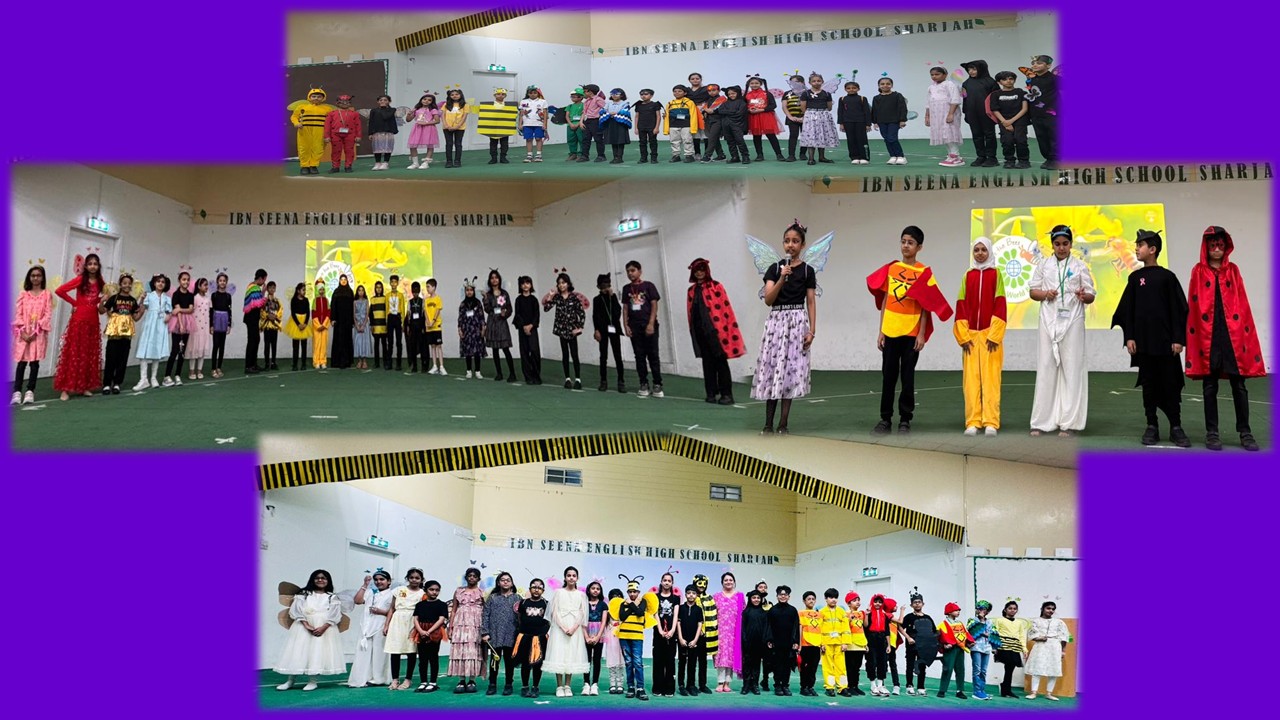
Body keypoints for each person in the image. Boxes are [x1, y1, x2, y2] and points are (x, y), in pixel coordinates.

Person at [868, 226, 953, 435]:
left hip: (911, 333)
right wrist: (881, 331)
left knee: (907, 377)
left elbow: (926, 305)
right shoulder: (892, 269)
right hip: (890, 330)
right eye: (903, 241)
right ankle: (885, 419)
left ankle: (905, 419)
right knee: (888, 376)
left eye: (911, 242)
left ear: (919, 247)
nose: (906, 246)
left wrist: (921, 333)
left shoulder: (924, 273)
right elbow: (886, 300)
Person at [1185, 226, 1265, 451]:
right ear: (1206, 247)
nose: (1217, 249)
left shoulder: (1233, 270)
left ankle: (1245, 432)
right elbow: (1193, 304)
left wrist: (1242, 333)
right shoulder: (1198, 271)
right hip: (1208, 336)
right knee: (1209, 385)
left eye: (1220, 245)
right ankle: (1212, 433)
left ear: (1226, 246)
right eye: (1212, 245)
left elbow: (1243, 302)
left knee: (1238, 384)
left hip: (1232, 335)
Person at [1111, 229, 1191, 447]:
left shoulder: (1168, 277)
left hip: (1167, 345)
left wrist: (1178, 339)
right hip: (1143, 344)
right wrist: (1130, 337)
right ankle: (1151, 425)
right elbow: (1128, 310)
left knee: (1171, 383)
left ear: (1152, 249)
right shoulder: (1135, 278)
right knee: (1148, 384)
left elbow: (1179, 310)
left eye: (1140, 245)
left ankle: (1176, 426)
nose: (1136, 248)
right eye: (1136, 245)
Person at [751, 222, 819, 434]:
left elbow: (810, 301)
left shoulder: (807, 270)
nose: (791, 245)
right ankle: (767, 424)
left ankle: (783, 424)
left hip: (797, 322)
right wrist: (782, 277)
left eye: (795, 241)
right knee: (773, 370)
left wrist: (812, 330)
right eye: (787, 241)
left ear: (802, 245)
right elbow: (768, 299)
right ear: (783, 243)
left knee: (789, 373)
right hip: (776, 322)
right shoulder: (774, 268)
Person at [1029, 225, 1095, 436]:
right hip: (1048, 319)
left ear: (1071, 244)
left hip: (1073, 319)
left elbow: (1091, 295)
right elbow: (1033, 291)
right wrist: (1045, 294)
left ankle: (1070, 423)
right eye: (1057, 244)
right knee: (1046, 365)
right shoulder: (1044, 265)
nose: (1061, 248)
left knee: (1072, 368)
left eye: (1065, 244)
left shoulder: (1080, 265)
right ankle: (1042, 421)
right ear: (1052, 245)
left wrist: (1083, 296)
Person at [954, 237, 1007, 435]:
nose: (980, 253)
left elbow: (1000, 304)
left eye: (983, 249)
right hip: (970, 337)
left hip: (989, 337)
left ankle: (991, 421)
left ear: (990, 251)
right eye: (976, 250)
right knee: (971, 381)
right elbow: (961, 304)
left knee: (991, 380)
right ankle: (973, 421)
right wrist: (963, 336)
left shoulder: (996, 274)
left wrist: (994, 335)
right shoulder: (968, 275)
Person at [274, 569, 347, 691]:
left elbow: (335, 615)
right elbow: (296, 610)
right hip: (303, 627)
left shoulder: (332, 597)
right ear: (312, 580)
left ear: (328, 581)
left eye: (323, 578)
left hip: (323, 628)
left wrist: (324, 627)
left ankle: (313, 681)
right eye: (317, 578)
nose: (320, 580)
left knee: (317, 652)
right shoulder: (304, 594)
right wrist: (306, 624)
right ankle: (290, 680)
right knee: (297, 651)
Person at [687, 257, 743, 405]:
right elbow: (691, 313)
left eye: (702, 270)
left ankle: (727, 394)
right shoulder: (691, 291)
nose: (699, 273)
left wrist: (725, 331)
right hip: (700, 332)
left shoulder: (716, 286)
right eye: (696, 270)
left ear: (706, 271)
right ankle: (711, 393)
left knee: (720, 362)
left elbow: (725, 310)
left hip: (717, 332)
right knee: (707, 363)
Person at [52, 253, 105, 400]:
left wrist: (103, 299)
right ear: (86, 266)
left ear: (98, 266)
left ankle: (84, 387)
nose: (93, 266)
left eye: (95, 264)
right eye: (90, 264)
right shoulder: (81, 279)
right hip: (79, 321)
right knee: (74, 354)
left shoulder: (101, 281)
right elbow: (60, 291)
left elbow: (95, 301)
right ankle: (66, 389)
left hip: (93, 321)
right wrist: (74, 303)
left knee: (89, 354)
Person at [543, 566, 590, 697]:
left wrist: (574, 627)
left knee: (571, 654)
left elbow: (582, 612)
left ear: (577, 578)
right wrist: (563, 627)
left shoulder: (581, 595)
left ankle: (568, 686)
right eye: (569, 575)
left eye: (574, 576)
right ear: (565, 577)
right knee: (559, 654)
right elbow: (554, 611)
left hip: (575, 628)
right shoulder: (558, 592)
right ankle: (559, 686)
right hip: (559, 628)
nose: (571, 578)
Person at [12, 265, 52, 405]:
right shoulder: (23, 294)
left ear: (42, 278)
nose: (35, 278)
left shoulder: (47, 294)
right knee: (21, 363)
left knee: (34, 363)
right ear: (29, 277)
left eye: (38, 275)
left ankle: (30, 391)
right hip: (23, 333)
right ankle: (17, 392)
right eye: (33, 275)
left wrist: (36, 331)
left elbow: (47, 314)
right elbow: (19, 314)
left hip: (37, 334)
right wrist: (22, 331)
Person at [542, 271, 588, 389]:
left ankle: (578, 379)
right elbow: (546, 308)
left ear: (568, 284)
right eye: (559, 283)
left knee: (574, 354)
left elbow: (581, 313)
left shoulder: (574, 297)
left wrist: (579, 327)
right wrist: (550, 297)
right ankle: (567, 379)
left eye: (563, 282)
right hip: (561, 331)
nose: (561, 285)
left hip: (572, 331)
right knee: (565, 354)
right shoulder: (557, 297)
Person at [347, 571, 394, 688]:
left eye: (382, 579)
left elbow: (394, 611)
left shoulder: (392, 594)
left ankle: (379, 678)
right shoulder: (370, 592)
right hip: (367, 626)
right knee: (363, 650)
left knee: (380, 652)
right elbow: (357, 601)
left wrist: (382, 612)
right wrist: (365, 585)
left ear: (389, 581)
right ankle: (362, 677)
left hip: (382, 625)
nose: (378, 582)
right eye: (376, 580)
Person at [383, 568, 425, 690]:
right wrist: (386, 625)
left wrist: (419, 627)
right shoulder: (399, 590)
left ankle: (408, 679)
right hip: (397, 620)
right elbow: (391, 609)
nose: (414, 580)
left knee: (411, 651)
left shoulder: (422, 593)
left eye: (417, 578)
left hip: (413, 621)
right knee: (395, 651)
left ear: (421, 580)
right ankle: (395, 680)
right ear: (407, 578)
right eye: (411, 577)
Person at [98, 273, 139, 396]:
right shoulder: (114, 298)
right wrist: (102, 302)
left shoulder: (133, 301)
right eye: (124, 283)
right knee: (111, 358)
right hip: (114, 333)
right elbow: (102, 311)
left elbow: (135, 317)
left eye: (129, 283)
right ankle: (106, 383)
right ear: (120, 284)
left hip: (126, 334)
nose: (127, 285)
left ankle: (117, 383)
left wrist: (142, 309)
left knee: (123, 359)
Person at [610, 575, 651, 700]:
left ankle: (640, 688)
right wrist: (632, 605)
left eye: (635, 591)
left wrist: (631, 605)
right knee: (628, 663)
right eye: (630, 592)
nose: (632, 594)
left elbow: (640, 612)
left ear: (638, 592)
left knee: (638, 662)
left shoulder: (642, 602)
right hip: (624, 636)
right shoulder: (623, 603)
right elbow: (622, 617)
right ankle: (631, 687)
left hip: (637, 636)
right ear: (627, 592)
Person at [481, 571, 521, 696]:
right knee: (494, 661)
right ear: (498, 583)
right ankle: (492, 684)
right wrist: (485, 632)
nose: (505, 582)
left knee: (509, 662)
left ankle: (509, 684)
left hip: (511, 634)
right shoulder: (492, 598)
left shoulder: (517, 598)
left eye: (508, 580)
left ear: (512, 583)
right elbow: (485, 615)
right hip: (495, 634)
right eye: (502, 580)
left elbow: (522, 617)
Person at [447, 567, 486, 693]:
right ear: (466, 577)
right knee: (461, 650)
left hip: (476, 624)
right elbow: (453, 610)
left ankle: (472, 680)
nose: (472, 578)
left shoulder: (482, 592)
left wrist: (485, 629)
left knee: (473, 651)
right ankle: (461, 680)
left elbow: (486, 611)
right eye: (470, 576)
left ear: (478, 579)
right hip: (460, 624)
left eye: (475, 576)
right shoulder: (459, 591)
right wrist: (450, 627)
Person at [132, 274, 172, 391]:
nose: (160, 283)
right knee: (144, 349)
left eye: (163, 282)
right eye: (158, 281)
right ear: (154, 283)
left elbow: (169, 311)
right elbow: (140, 308)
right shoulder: (149, 296)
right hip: (149, 325)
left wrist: (168, 316)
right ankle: (143, 379)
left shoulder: (167, 298)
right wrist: (141, 299)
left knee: (157, 350)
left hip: (161, 325)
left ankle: (153, 378)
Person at [513, 577, 551, 697]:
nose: (536, 589)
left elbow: (549, 621)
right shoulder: (523, 603)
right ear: (530, 589)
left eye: (539, 588)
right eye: (534, 587)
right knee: (525, 663)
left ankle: (535, 687)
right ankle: (525, 687)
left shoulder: (546, 604)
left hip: (539, 638)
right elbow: (519, 618)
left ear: (543, 590)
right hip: (525, 637)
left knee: (537, 663)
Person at [1024, 602, 1069, 701]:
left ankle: (1049, 693)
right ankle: (1033, 692)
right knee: (1037, 668)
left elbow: (1064, 637)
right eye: (1048, 608)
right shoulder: (1035, 621)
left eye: (1053, 609)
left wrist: (1063, 651)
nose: (1051, 611)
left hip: (1055, 646)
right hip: (1040, 646)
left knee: (1053, 670)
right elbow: (1031, 635)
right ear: (1042, 609)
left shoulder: (1059, 622)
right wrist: (1039, 638)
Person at [412, 580, 450, 693]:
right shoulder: (420, 605)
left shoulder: (442, 604)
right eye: (431, 589)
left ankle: (433, 682)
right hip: (421, 632)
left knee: (433, 657)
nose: (434, 592)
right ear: (425, 590)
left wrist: (429, 631)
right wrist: (421, 631)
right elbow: (415, 619)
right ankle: (423, 682)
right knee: (422, 658)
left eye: (437, 590)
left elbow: (441, 619)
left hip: (435, 632)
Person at [959, 60, 997, 166]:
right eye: (969, 69)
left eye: (974, 69)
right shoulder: (966, 83)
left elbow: (995, 99)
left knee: (989, 135)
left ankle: (991, 158)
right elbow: (965, 98)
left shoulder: (990, 82)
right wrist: (966, 112)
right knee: (976, 135)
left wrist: (995, 113)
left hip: (987, 114)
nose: (971, 71)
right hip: (972, 113)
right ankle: (981, 156)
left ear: (982, 69)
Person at [592, 273, 626, 393]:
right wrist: (596, 330)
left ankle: (621, 381)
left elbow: (617, 311)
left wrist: (612, 297)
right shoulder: (597, 299)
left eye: (607, 285)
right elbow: (595, 316)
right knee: (603, 356)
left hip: (614, 329)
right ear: (599, 287)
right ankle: (603, 381)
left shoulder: (613, 297)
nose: (606, 288)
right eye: (603, 286)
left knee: (618, 356)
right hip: (602, 331)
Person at [990, 71, 1030, 169]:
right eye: (1004, 79)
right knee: (1007, 141)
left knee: (1021, 140)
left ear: (1014, 80)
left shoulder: (1021, 92)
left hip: (1019, 120)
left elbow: (1024, 109)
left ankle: (1024, 160)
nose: (1008, 81)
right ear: (999, 82)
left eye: (1011, 79)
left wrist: (1011, 121)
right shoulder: (995, 94)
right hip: (1004, 121)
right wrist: (1005, 122)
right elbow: (995, 110)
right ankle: (1009, 160)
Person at [925, 67, 965, 167]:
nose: (934, 76)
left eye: (937, 74)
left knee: (950, 133)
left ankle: (955, 156)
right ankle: (950, 155)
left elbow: (955, 99)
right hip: (936, 115)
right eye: (932, 75)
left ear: (945, 75)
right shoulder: (931, 87)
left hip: (948, 112)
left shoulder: (950, 84)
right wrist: (927, 116)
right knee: (943, 135)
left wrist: (951, 114)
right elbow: (928, 103)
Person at [482, 269, 517, 381]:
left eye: (496, 277)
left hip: (502, 324)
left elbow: (510, 308)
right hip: (492, 323)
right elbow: (487, 309)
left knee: (506, 349)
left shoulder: (504, 293)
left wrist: (505, 313)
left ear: (499, 279)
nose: (494, 280)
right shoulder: (488, 295)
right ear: (489, 280)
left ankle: (512, 374)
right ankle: (499, 373)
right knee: (495, 350)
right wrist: (485, 299)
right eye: (492, 278)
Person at [1025, 54, 1059, 169]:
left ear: (1048, 66)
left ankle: (1056, 159)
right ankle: (1048, 158)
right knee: (1041, 136)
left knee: (1054, 136)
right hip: (1036, 113)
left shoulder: (1056, 79)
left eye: (1039, 63)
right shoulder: (1031, 80)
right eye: (1033, 63)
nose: (1035, 65)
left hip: (1052, 113)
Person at [900, 590, 936, 696]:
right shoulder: (908, 617)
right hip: (911, 645)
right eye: (915, 602)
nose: (917, 604)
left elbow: (934, 632)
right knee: (910, 665)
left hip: (924, 647)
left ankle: (921, 687)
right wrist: (908, 637)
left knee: (922, 666)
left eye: (919, 602)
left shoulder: (928, 618)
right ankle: (909, 686)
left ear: (923, 604)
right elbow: (900, 627)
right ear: (911, 605)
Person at [650, 572, 680, 697]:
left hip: (671, 635)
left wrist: (672, 630)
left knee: (670, 662)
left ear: (672, 583)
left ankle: (669, 688)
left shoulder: (676, 598)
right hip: (659, 634)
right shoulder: (655, 597)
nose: (667, 582)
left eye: (669, 581)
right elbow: (655, 614)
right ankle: (657, 688)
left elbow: (676, 615)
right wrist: (660, 630)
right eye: (665, 580)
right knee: (658, 662)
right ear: (661, 582)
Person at [766, 585, 799, 696]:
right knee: (777, 665)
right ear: (777, 596)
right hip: (776, 643)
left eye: (785, 594)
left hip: (789, 643)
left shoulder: (793, 610)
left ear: (789, 596)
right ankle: (777, 686)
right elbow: (768, 626)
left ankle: (785, 685)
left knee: (787, 665)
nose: (783, 596)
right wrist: (769, 640)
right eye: (781, 594)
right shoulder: (772, 610)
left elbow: (796, 627)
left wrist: (796, 641)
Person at [162, 270, 194, 386]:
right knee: (175, 350)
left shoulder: (190, 295)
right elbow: (177, 311)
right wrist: (181, 325)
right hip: (177, 323)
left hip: (188, 322)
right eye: (184, 279)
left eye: (188, 280)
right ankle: (167, 376)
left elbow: (190, 309)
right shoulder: (176, 294)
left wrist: (180, 309)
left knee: (182, 351)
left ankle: (177, 375)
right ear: (179, 281)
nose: (186, 282)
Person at [799, 73, 838, 165]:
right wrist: (809, 114)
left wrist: (822, 112)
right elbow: (803, 107)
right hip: (811, 115)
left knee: (822, 134)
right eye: (814, 81)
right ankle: (811, 158)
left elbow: (829, 107)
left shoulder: (826, 93)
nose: (816, 83)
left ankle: (822, 157)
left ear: (822, 82)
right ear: (810, 83)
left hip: (823, 115)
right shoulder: (806, 93)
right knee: (811, 136)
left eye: (818, 81)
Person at [290, 88, 332, 175]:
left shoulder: (328, 109)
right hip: (304, 130)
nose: (316, 98)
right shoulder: (301, 107)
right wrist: (296, 123)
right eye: (314, 96)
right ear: (309, 97)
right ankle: (304, 166)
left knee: (318, 148)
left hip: (320, 131)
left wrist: (329, 133)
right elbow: (294, 116)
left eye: (319, 96)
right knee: (304, 148)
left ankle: (313, 165)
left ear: (323, 98)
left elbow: (331, 120)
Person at [993, 600, 1028, 698]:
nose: (1012, 610)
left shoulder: (1019, 623)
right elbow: (995, 633)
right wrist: (995, 646)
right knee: (1008, 666)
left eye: (1015, 609)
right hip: (1004, 645)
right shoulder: (1000, 620)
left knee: (1011, 668)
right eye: (1010, 608)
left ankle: (1006, 687)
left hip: (1014, 646)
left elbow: (1021, 636)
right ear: (1005, 610)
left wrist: (1024, 649)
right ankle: (1006, 688)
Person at [745, 76, 785, 161]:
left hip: (766, 117)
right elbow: (744, 106)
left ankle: (779, 154)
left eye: (756, 83)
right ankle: (759, 155)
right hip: (753, 118)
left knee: (771, 136)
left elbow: (773, 105)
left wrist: (761, 110)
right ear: (749, 84)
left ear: (761, 84)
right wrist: (748, 110)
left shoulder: (767, 94)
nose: (754, 85)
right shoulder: (746, 95)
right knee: (756, 137)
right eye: (752, 83)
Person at [739, 590, 772, 695]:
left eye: (758, 598)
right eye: (754, 598)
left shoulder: (764, 613)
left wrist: (765, 640)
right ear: (750, 599)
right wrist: (744, 640)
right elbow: (742, 628)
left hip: (759, 643)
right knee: (747, 664)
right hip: (747, 643)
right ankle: (746, 685)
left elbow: (766, 628)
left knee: (756, 664)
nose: (756, 600)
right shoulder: (745, 612)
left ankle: (755, 685)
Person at [819, 588, 850, 696]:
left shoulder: (842, 612)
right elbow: (819, 629)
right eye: (831, 597)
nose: (833, 600)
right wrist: (821, 643)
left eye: (835, 597)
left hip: (839, 643)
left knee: (841, 667)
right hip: (826, 643)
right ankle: (830, 687)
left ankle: (842, 688)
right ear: (826, 599)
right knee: (828, 667)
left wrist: (845, 643)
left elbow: (846, 628)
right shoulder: (821, 612)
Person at [936, 601, 970, 698]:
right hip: (950, 649)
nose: (958, 612)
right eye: (956, 610)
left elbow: (965, 634)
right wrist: (943, 645)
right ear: (949, 612)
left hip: (960, 648)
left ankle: (960, 690)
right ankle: (942, 690)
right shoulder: (942, 624)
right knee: (947, 669)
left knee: (960, 669)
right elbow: (937, 638)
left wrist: (969, 642)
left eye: (959, 610)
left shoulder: (960, 623)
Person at [871, 77, 909, 164]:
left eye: (888, 84)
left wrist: (902, 120)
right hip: (881, 122)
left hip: (894, 121)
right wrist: (875, 122)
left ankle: (900, 156)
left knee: (892, 138)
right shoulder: (876, 98)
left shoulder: (897, 95)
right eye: (882, 84)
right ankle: (893, 156)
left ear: (891, 85)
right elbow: (874, 110)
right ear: (879, 86)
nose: (885, 85)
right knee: (886, 139)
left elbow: (902, 108)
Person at [513, 275, 542, 384]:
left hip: (532, 329)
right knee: (524, 353)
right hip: (522, 329)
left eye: (527, 283)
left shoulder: (534, 300)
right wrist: (524, 326)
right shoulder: (518, 300)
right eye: (523, 283)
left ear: (531, 285)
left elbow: (537, 315)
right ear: (520, 286)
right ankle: (528, 377)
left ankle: (536, 376)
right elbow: (517, 314)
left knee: (534, 351)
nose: (525, 285)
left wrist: (531, 326)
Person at [677, 583, 704, 695]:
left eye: (693, 593)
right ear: (685, 595)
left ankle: (691, 685)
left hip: (694, 641)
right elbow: (678, 623)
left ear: (696, 595)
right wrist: (680, 638)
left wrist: (695, 640)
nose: (691, 595)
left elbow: (700, 625)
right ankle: (681, 685)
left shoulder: (698, 609)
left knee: (692, 663)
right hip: (682, 640)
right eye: (689, 593)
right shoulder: (681, 608)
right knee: (682, 663)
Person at [582, 581, 609, 695]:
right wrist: (586, 636)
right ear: (589, 590)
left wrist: (598, 636)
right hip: (586, 633)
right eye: (593, 588)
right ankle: (586, 684)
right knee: (586, 659)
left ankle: (594, 684)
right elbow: (582, 621)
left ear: (600, 591)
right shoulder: (584, 604)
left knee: (597, 660)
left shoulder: (603, 604)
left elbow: (604, 622)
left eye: (598, 589)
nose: (595, 590)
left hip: (599, 634)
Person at [477, 88, 516, 165]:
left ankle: (503, 157)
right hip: (493, 128)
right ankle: (493, 158)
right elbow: (481, 111)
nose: (500, 96)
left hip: (505, 128)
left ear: (505, 96)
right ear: (495, 95)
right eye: (498, 94)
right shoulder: (488, 105)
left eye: (503, 94)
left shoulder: (510, 106)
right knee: (493, 143)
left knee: (504, 144)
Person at [324, 93, 362, 173]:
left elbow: (358, 125)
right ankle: (335, 167)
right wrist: (326, 136)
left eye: (347, 102)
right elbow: (327, 125)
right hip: (335, 134)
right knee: (336, 151)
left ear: (350, 103)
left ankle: (348, 166)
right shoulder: (331, 113)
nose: (345, 104)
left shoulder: (354, 114)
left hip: (350, 134)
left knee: (349, 150)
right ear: (337, 103)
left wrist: (358, 135)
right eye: (342, 102)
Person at [837, 81, 872, 164]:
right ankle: (854, 157)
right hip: (848, 122)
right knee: (851, 140)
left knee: (862, 139)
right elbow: (840, 112)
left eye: (854, 88)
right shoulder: (842, 99)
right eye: (848, 88)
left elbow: (867, 112)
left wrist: (868, 124)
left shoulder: (862, 98)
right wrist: (841, 123)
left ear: (858, 89)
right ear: (845, 89)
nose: (851, 90)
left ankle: (864, 157)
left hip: (861, 122)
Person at [966, 600, 996, 700]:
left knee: (983, 671)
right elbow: (972, 632)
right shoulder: (972, 620)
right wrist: (981, 623)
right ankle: (977, 691)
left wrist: (994, 646)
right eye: (978, 608)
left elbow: (994, 634)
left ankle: (982, 690)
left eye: (983, 609)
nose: (980, 611)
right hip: (976, 648)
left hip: (987, 648)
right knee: (977, 670)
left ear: (988, 611)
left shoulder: (990, 622)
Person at [664, 84, 699, 162]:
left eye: (680, 91)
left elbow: (693, 115)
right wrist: (666, 129)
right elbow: (667, 116)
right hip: (673, 125)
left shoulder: (689, 102)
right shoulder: (670, 103)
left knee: (687, 140)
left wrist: (693, 128)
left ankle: (689, 155)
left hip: (686, 125)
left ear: (685, 93)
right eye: (675, 91)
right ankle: (676, 155)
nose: (677, 93)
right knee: (674, 141)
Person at [797, 590, 823, 696]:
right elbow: (800, 629)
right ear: (804, 601)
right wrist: (799, 644)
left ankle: (811, 687)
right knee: (804, 668)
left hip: (816, 645)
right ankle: (804, 687)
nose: (811, 601)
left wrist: (822, 644)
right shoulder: (801, 613)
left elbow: (822, 629)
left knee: (813, 668)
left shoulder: (819, 615)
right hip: (805, 644)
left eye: (813, 599)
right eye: (809, 599)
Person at [459, 279, 486, 378]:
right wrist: (460, 329)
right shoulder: (463, 304)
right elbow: (460, 318)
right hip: (466, 330)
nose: (469, 292)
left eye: (471, 290)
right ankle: (469, 370)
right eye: (467, 290)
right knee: (468, 352)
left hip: (476, 330)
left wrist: (483, 328)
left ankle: (478, 371)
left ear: (474, 291)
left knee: (477, 351)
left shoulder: (478, 303)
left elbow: (481, 316)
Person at [406, 93, 441, 170]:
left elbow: (437, 120)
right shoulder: (416, 109)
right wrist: (409, 114)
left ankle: (426, 163)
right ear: (421, 100)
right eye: (424, 99)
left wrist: (426, 123)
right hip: (417, 128)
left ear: (432, 102)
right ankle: (415, 163)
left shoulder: (433, 110)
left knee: (430, 145)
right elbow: (408, 120)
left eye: (429, 100)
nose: (426, 101)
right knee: (412, 145)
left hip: (429, 128)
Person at [242, 269, 267, 374]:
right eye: (264, 279)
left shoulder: (251, 286)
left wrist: (262, 292)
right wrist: (264, 294)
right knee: (252, 341)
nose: (264, 282)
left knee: (255, 340)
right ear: (260, 278)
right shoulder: (254, 287)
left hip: (252, 318)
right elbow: (258, 303)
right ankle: (249, 366)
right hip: (251, 318)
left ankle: (253, 364)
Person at [367, 94, 400, 171]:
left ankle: (385, 163)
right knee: (377, 148)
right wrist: (370, 133)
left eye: (385, 100)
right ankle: (377, 163)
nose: (383, 101)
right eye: (381, 100)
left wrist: (384, 108)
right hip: (377, 131)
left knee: (387, 148)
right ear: (378, 102)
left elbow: (386, 116)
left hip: (388, 131)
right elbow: (371, 122)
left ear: (389, 101)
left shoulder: (392, 110)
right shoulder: (374, 110)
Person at [187, 277, 212, 379]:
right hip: (195, 327)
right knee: (194, 349)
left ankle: (199, 370)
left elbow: (210, 313)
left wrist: (210, 326)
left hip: (205, 327)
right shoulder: (194, 298)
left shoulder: (208, 299)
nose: (206, 287)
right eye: (204, 285)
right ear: (198, 286)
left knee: (202, 349)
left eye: (207, 285)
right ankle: (192, 371)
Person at [517, 85, 548, 163]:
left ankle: (539, 155)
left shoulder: (543, 101)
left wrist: (545, 124)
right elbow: (521, 114)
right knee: (528, 139)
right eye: (531, 93)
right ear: (528, 93)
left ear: (538, 93)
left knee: (538, 138)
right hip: (527, 124)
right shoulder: (523, 102)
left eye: (535, 93)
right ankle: (529, 155)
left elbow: (545, 114)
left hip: (539, 124)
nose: (533, 94)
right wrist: (520, 124)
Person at [209, 273, 232, 378]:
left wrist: (229, 324)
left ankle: (219, 367)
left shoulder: (228, 296)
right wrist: (211, 325)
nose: (222, 282)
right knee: (216, 345)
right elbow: (211, 311)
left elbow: (229, 310)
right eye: (220, 280)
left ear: (226, 282)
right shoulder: (214, 295)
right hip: (216, 320)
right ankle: (213, 368)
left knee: (222, 346)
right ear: (217, 282)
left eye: (224, 281)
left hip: (224, 320)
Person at [329, 275, 355, 369]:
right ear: (339, 281)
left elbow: (353, 307)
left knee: (347, 340)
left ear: (347, 281)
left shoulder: (350, 292)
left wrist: (353, 320)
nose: (343, 281)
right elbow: (333, 306)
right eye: (341, 279)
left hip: (348, 320)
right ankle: (337, 362)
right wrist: (332, 319)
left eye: (345, 279)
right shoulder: (336, 292)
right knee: (338, 340)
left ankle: (347, 361)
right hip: (338, 321)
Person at [632, 88, 663, 163]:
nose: (643, 96)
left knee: (653, 142)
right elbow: (636, 117)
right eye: (641, 94)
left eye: (646, 94)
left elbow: (658, 116)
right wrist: (636, 128)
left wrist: (657, 127)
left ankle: (654, 158)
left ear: (651, 95)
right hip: (641, 126)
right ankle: (643, 158)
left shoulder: (655, 104)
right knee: (642, 142)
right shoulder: (638, 105)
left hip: (652, 127)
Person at [284, 282, 310, 372]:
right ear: (298, 291)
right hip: (296, 323)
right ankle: (295, 364)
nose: (304, 292)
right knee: (295, 346)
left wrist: (305, 323)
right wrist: (298, 324)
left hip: (304, 322)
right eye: (303, 290)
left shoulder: (306, 300)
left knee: (304, 345)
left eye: (305, 290)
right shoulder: (294, 300)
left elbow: (308, 313)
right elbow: (293, 313)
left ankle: (303, 364)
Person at [441, 87, 469, 168]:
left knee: (458, 144)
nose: (454, 96)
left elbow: (464, 116)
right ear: (449, 96)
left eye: (457, 94)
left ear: (460, 95)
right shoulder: (446, 104)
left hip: (460, 128)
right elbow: (443, 115)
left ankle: (457, 161)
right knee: (449, 144)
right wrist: (446, 125)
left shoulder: (465, 105)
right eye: (452, 95)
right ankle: (449, 161)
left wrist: (458, 126)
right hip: (447, 127)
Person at [423, 278, 446, 375]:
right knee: (432, 346)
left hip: (436, 326)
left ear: (434, 287)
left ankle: (442, 366)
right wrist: (428, 322)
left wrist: (433, 321)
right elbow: (425, 311)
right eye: (426, 287)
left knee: (438, 346)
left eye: (428, 287)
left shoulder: (438, 298)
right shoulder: (426, 300)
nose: (427, 289)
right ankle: (434, 366)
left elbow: (437, 310)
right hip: (429, 327)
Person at [260, 281, 281, 371]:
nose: (272, 289)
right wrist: (267, 315)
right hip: (267, 326)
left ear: (275, 289)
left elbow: (280, 311)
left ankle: (273, 362)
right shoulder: (264, 301)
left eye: (273, 288)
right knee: (267, 345)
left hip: (274, 325)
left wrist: (275, 316)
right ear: (267, 289)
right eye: (270, 288)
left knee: (274, 344)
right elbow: (261, 311)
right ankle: (267, 363)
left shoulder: (277, 301)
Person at [310, 280, 330, 370]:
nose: (321, 291)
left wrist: (324, 324)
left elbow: (328, 313)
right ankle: (316, 362)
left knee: (323, 344)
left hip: (324, 327)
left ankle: (323, 361)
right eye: (320, 290)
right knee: (317, 344)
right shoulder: (315, 301)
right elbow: (313, 314)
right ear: (317, 290)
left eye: (323, 289)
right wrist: (318, 325)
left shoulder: (326, 300)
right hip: (317, 327)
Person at [353, 284, 372, 369]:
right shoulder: (355, 302)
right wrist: (357, 325)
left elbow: (367, 314)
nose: (361, 292)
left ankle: (364, 361)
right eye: (359, 290)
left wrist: (363, 325)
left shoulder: (366, 301)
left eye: (362, 290)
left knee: (364, 342)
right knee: (358, 342)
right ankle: (359, 360)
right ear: (357, 292)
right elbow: (354, 314)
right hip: (357, 324)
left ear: (364, 292)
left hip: (365, 324)